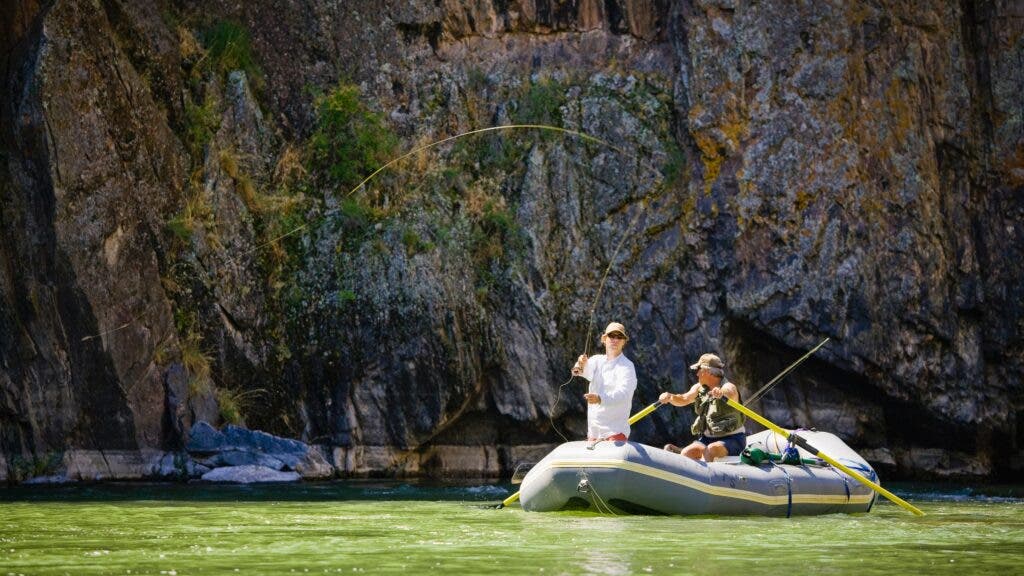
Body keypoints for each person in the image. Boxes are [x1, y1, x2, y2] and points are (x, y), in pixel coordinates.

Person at [658, 353, 746, 462]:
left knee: (710, 450)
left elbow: (731, 394)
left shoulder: (728, 387)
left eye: (699, 369)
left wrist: (721, 393)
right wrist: (670, 397)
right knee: (687, 453)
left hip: (733, 439)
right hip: (707, 439)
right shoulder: (698, 388)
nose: (697, 374)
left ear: (707, 371)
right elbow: (684, 399)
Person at [571, 322, 637, 445]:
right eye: (611, 336)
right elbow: (578, 372)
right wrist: (580, 363)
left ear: (624, 342)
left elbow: (624, 394)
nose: (615, 340)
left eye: (619, 337)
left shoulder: (628, 366)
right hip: (593, 433)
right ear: (604, 339)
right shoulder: (596, 360)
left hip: (616, 433)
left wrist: (600, 399)